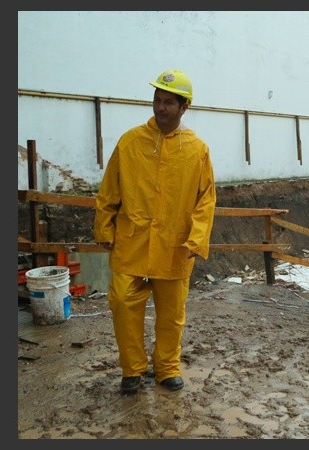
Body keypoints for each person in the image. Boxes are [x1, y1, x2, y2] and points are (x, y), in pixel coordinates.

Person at [93, 69, 216, 394]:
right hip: (131, 242)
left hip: (174, 246)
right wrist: (104, 226)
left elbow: (206, 200)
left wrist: (197, 238)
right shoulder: (131, 141)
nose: (160, 108)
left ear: (183, 107)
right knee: (121, 303)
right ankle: (132, 370)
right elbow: (109, 189)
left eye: (168, 103)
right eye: (157, 101)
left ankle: (167, 369)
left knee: (171, 315)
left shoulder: (197, 150)